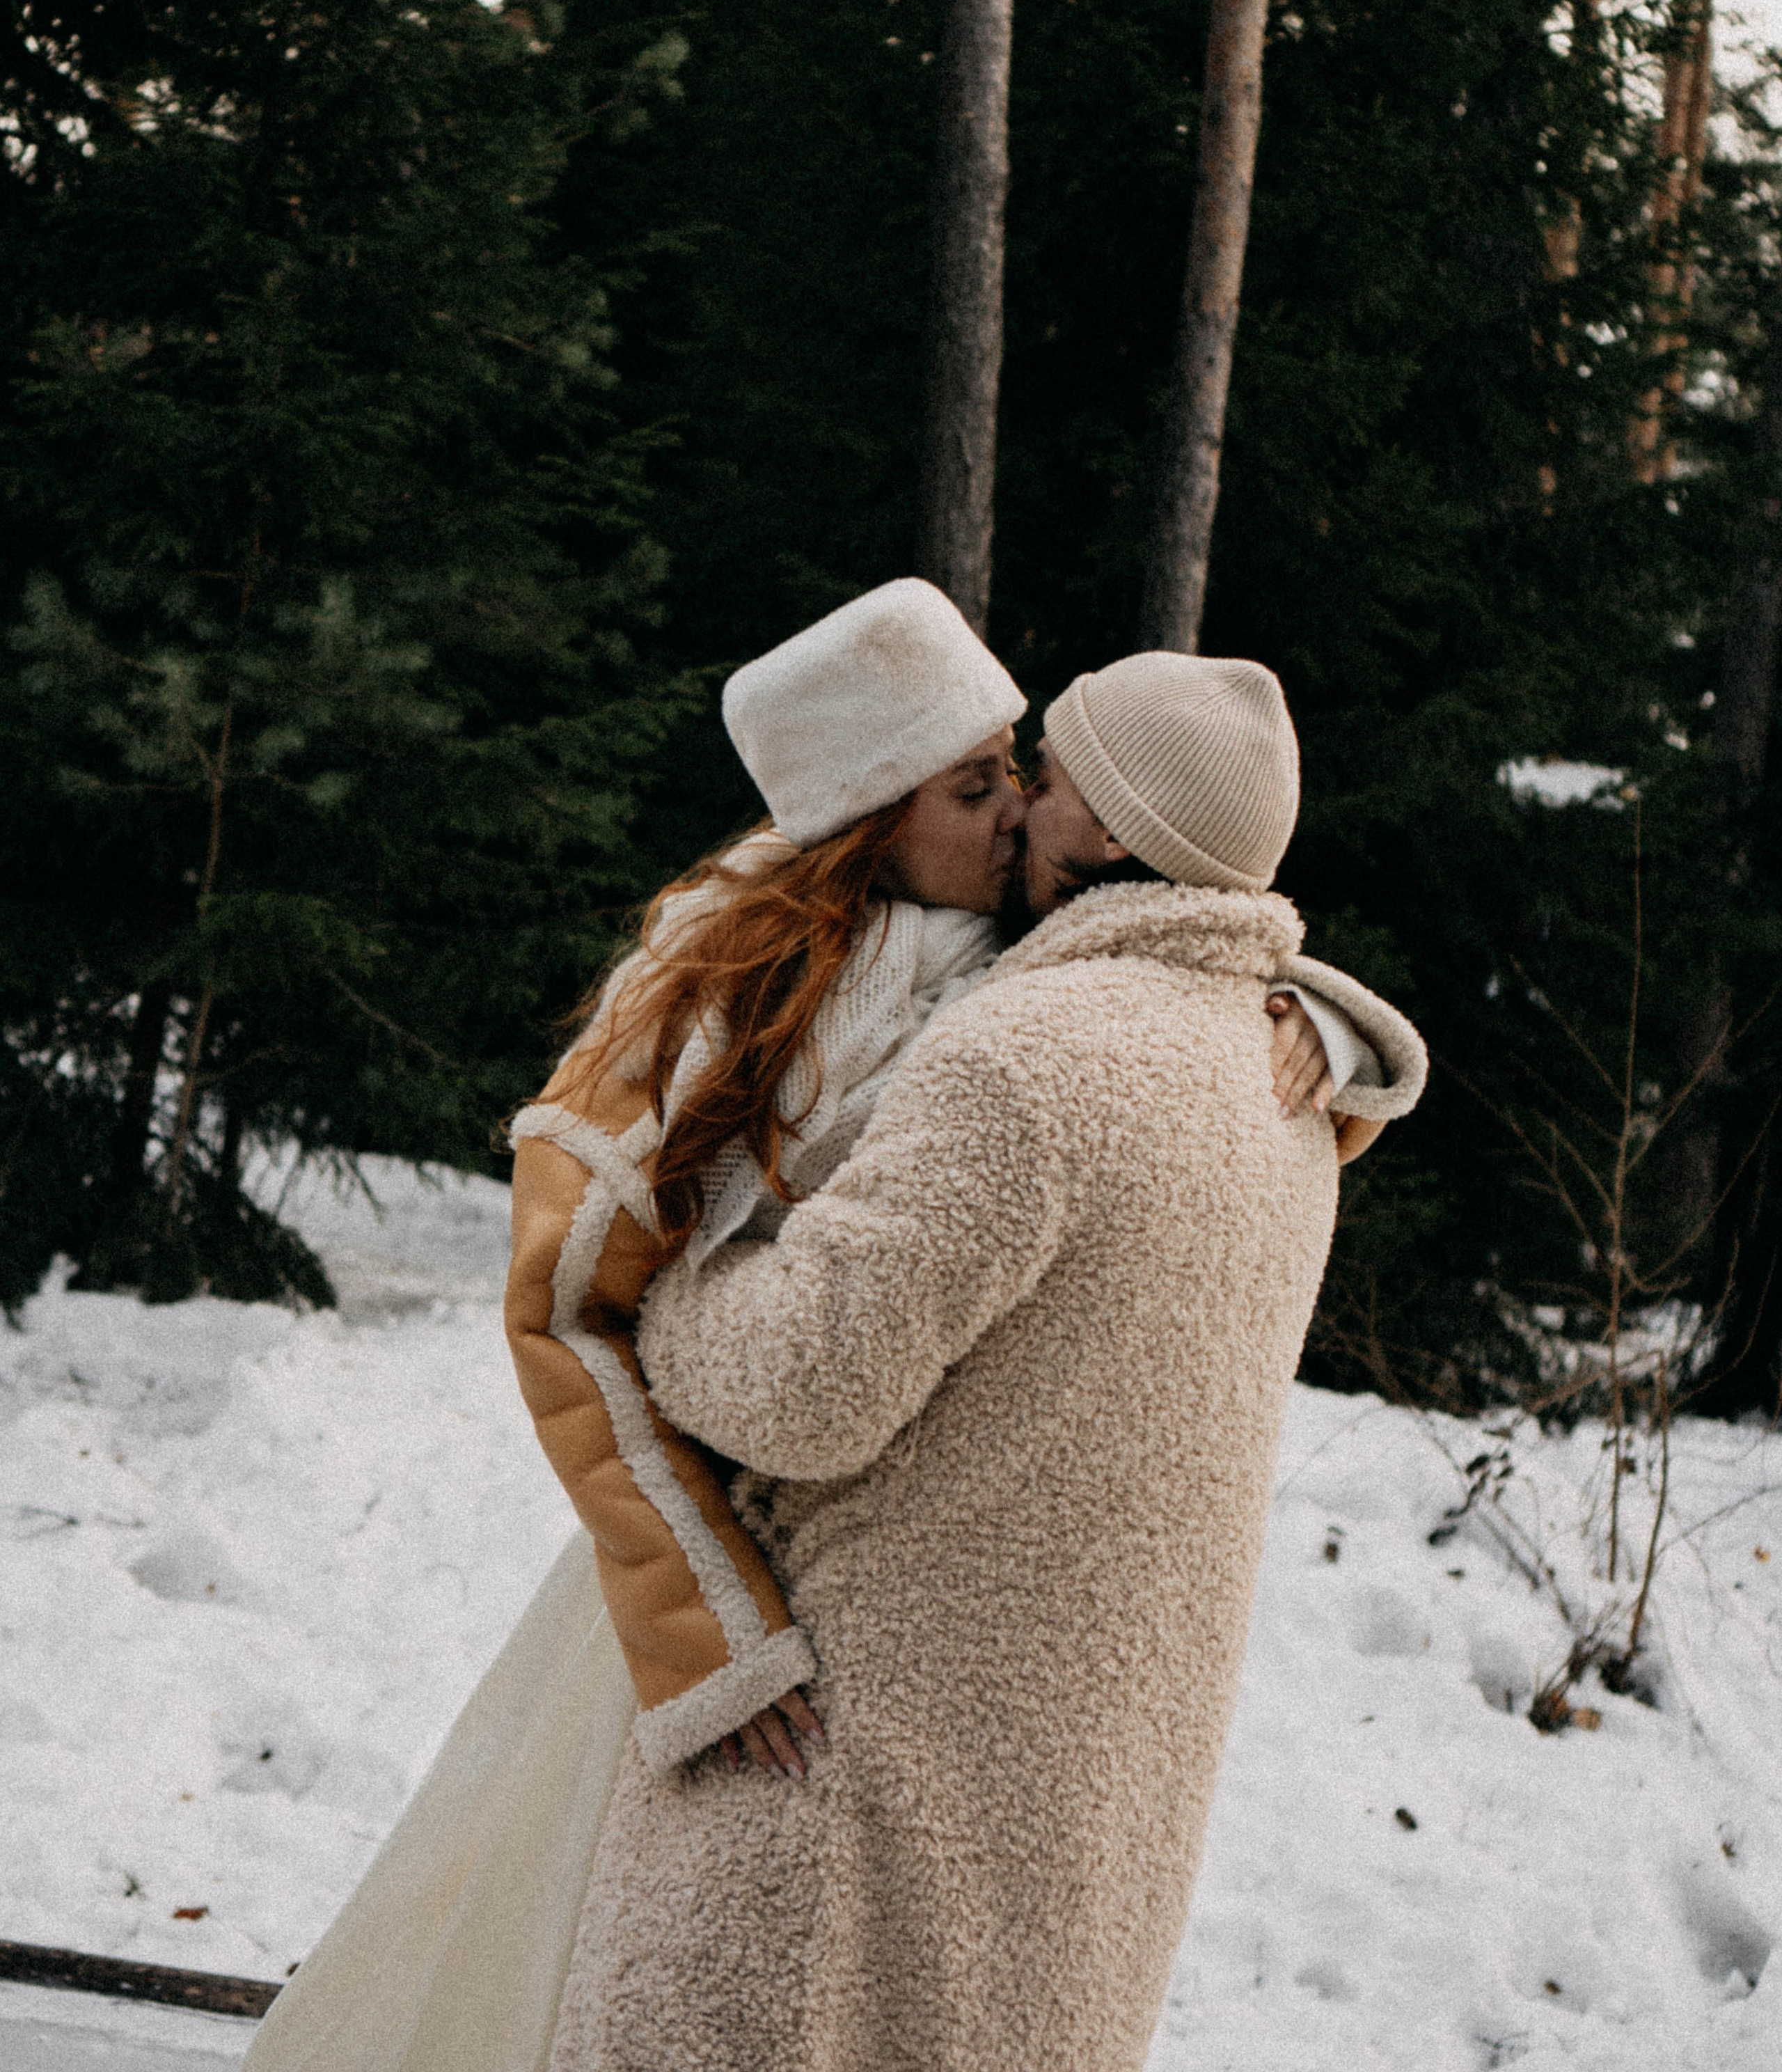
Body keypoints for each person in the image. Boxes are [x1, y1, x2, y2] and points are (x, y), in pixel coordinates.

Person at [241, 584, 1373, 2072]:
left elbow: (812, 1362)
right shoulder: (725, 992)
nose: (1017, 805)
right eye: (978, 782)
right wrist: (701, 1627)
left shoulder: (1030, 998)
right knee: (495, 1953)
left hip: (864, 1637)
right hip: (704, 1584)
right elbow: (569, 1314)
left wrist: (1342, 1028)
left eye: (1026, 776)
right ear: (861, 814)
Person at [542, 641, 1426, 2072]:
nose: (1018, 808)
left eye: (1051, 780)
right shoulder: (1286, 1097)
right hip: (1075, 1824)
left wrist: (683, 1290)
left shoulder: (1024, 1059)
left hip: (855, 1788)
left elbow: (800, 1392)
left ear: (1118, 836)